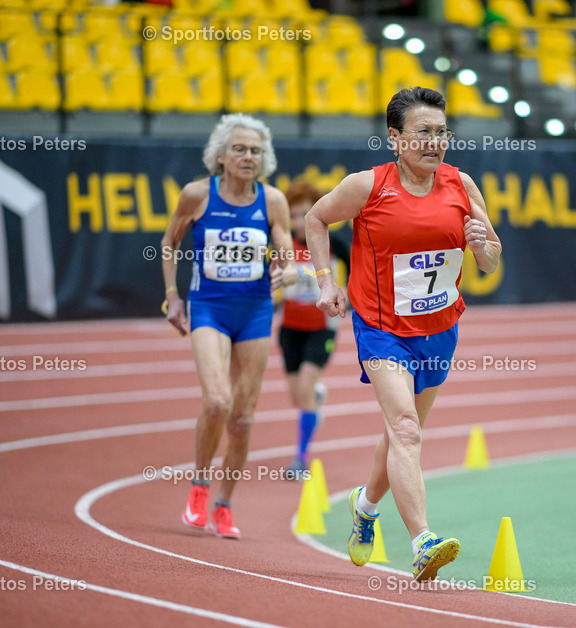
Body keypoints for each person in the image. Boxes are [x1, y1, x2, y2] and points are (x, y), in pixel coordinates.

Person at [304, 86, 502, 582]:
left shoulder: (462, 185)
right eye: (423, 133)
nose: (434, 143)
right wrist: (325, 280)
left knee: (403, 430)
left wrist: (485, 246)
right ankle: (423, 542)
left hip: (439, 328)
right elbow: (315, 218)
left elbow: (491, 259)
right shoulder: (366, 186)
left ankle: (365, 508)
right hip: (381, 327)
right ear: (394, 139)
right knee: (406, 429)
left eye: (441, 133)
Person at [161, 113, 296, 539]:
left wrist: (287, 271)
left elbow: (286, 247)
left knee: (243, 417)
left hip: (255, 310)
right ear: (220, 155)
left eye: (255, 151)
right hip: (209, 308)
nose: (247, 156)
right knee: (217, 401)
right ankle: (200, 485)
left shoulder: (271, 199)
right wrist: (173, 295)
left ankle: (225, 504)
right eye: (239, 149)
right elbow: (169, 242)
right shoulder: (197, 195)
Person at [278, 180, 351, 478]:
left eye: (305, 213)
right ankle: (315, 398)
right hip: (289, 328)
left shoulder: (335, 244)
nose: (299, 220)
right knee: (298, 397)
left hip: (321, 329)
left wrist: (347, 297)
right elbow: (270, 285)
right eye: (294, 214)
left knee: (304, 390)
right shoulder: (282, 245)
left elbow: (360, 272)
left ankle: (300, 458)